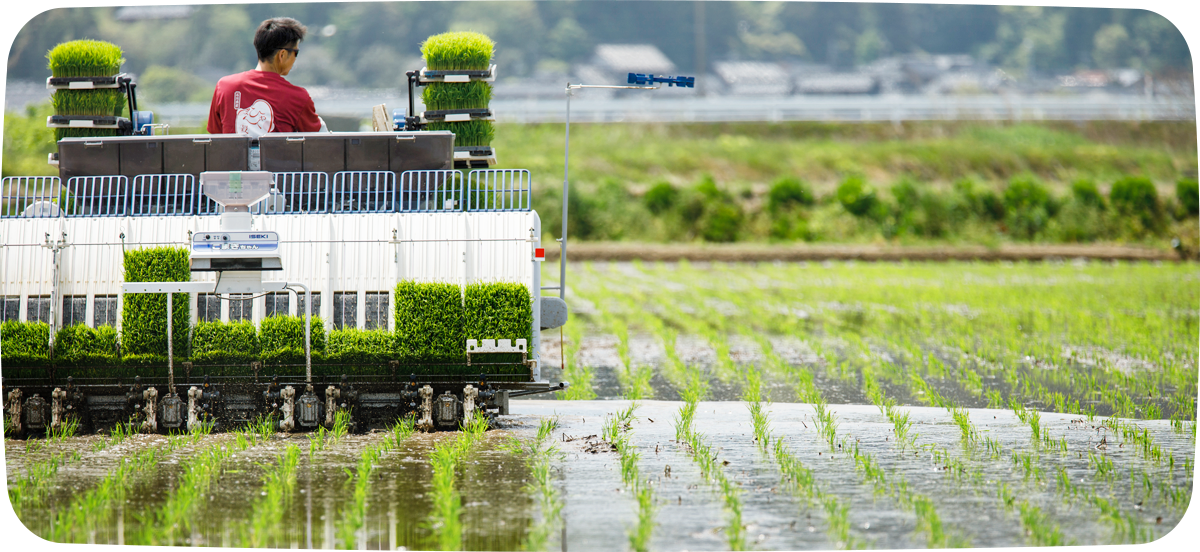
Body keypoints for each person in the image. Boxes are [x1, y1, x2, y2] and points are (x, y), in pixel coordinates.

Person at [207, 17, 325, 136]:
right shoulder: (298, 98)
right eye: (295, 52)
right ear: (282, 55)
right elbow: (322, 141)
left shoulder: (224, 86)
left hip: (233, 155)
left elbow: (216, 139)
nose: (295, 59)